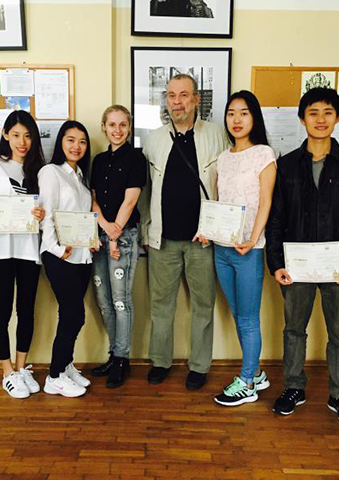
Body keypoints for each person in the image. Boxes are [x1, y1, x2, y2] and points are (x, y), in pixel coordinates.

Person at [266, 87, 339, 427]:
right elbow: (276, 219)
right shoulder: (286, 166)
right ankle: (293, 388)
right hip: (296, 267)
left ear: (338, 117)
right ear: (302, 119)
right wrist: (276, 263)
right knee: (293, 329)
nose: (321, 119)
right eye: (313, 112)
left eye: (328, 112)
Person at [142, 73, 229, 390]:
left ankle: (199, 365)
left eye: (183, 95)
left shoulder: (217, 135)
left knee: (203, 305)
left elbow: (226, 185)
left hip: (202, 240)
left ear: (195, 99)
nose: (177, 102)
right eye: (171, 95)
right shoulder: (153, 140)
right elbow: (145, 190)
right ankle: (160, 361)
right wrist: (147, 231)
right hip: (162, 239)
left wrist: (217, 228)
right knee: (161, 304)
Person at [195, 91, 276, 407]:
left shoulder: (263, 154)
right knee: (238, 313)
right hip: (222, 249)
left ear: (254, 117)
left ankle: (247, 382)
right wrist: (207, 230)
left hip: (248, 251)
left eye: (243, 113)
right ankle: (255, 372)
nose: (236, 120)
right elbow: (219, 202)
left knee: (248, 319)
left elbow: (266, 202)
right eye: (231, 113)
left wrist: (253, 239)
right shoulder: (223, 158)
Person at [0, 110, 46, 399]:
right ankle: (7, 371)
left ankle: (20, 367)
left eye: (28, 136)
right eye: (16, 135)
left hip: (29, 250)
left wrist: (41, 214)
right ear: (5, 134)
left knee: (26, 310)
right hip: (0, 251)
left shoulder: (39, 169)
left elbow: (45, 210)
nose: (22, 142)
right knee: (2, 311)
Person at [90, 105, 147, 388]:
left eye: (123, 124)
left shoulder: (136, 158)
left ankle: (123, 358)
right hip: (99, 237)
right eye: (112, 124)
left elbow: (130, 200)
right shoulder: (99, 160)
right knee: (104, 300)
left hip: (123, 237)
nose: (117, 130)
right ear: (104, 126)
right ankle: (114, 354)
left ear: (129, 127)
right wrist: (104, 227)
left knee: (121, 300)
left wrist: (114, 235)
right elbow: (93, 199)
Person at [38, 121, 95, 398]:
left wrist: (91, 244)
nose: (76, 146)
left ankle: (66, 365)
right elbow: (46, 214)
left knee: (72, 316)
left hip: (82, 257)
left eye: (82, 141)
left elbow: (83, 219)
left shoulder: (81, 178)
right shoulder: (51, 172)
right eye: (71, 140)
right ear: (61, 142)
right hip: (60, 256)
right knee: (73, 314)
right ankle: (54, 376)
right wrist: (57, 249)